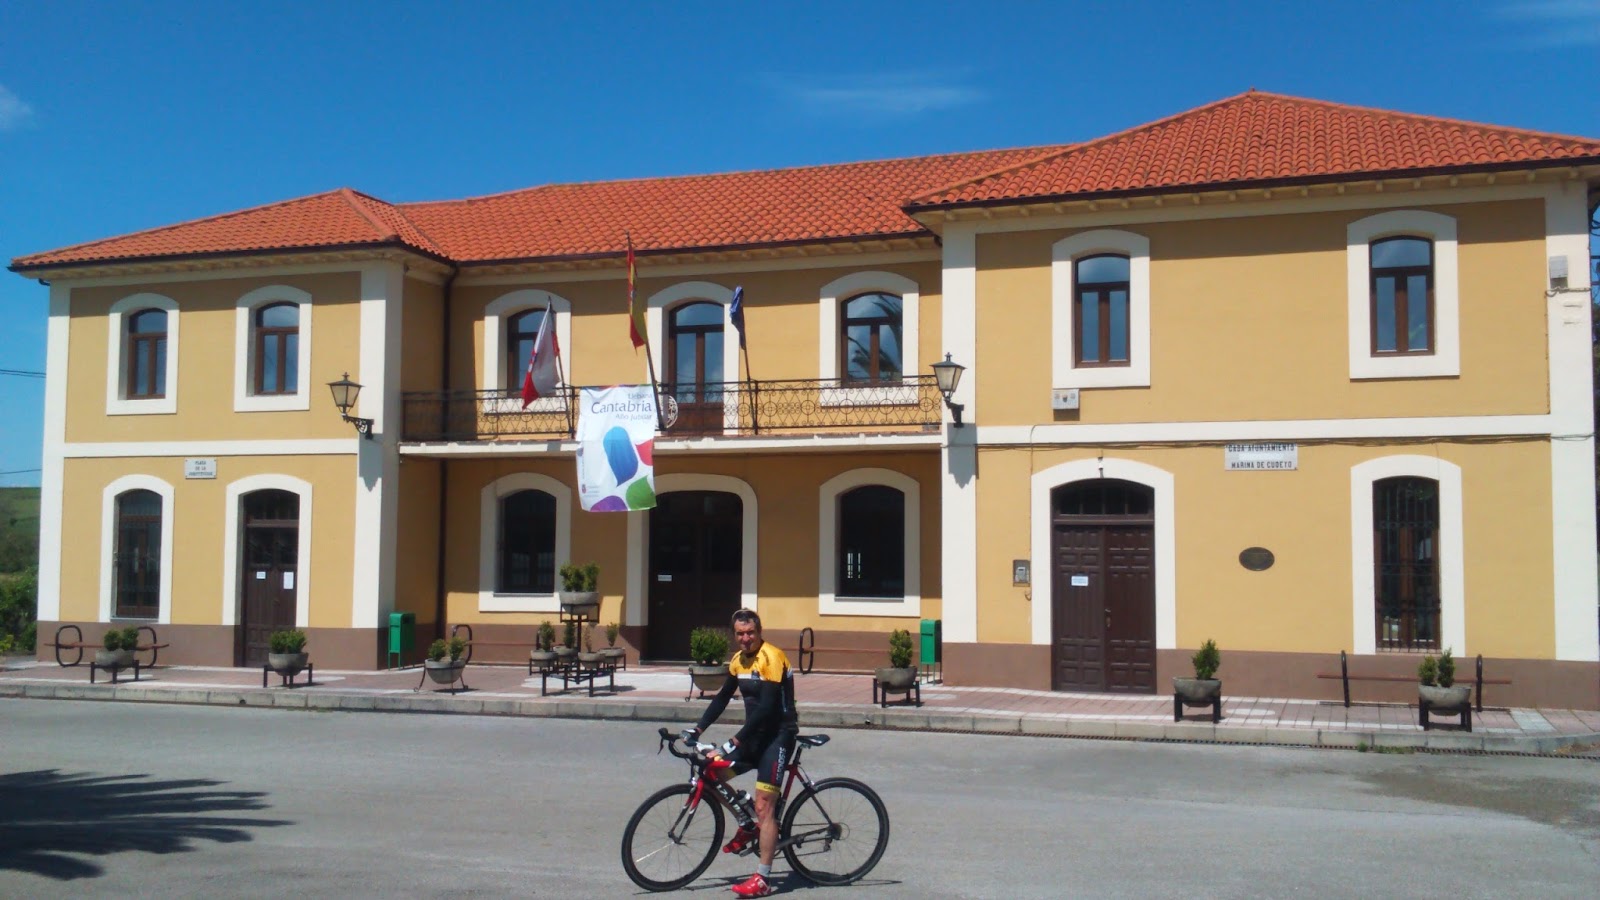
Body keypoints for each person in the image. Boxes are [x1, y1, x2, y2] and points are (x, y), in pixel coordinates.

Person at [681, 608, 797, 898]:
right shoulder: (737, 661)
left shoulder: (772, 657)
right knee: (712, 774)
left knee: (764, 807)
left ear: (759, 632)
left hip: (778, 738)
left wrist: (732, 742)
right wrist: (697, 729)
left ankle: (763, 879)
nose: (745, 638)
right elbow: (722, 698)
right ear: (734, 635)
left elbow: (767, 709)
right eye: (740, 634)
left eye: (750, 633)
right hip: (754, 738)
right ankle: (746, 823)